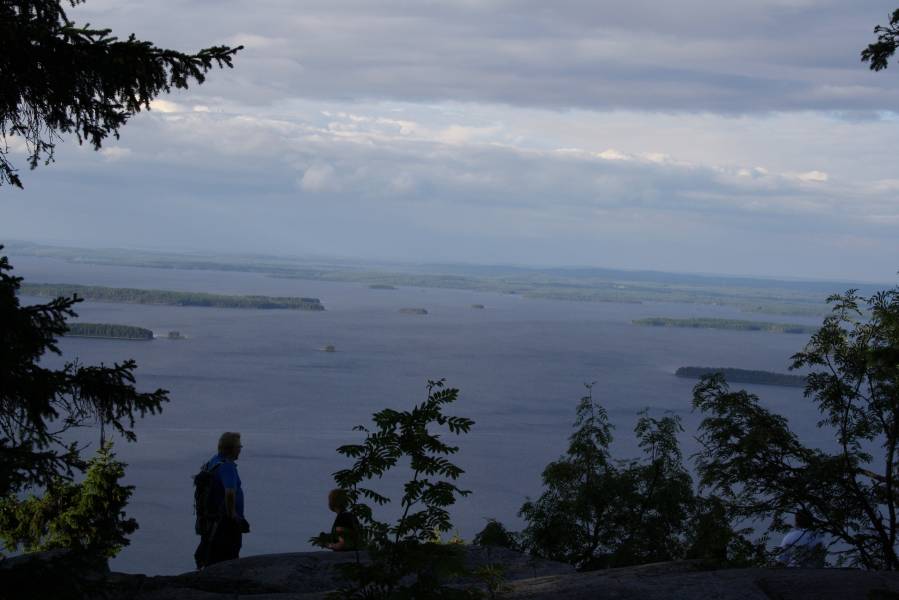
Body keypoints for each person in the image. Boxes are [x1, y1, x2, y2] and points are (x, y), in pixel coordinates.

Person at [194, 432, 249, 568]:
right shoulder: (227, 467)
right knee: (228, 561)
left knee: (212, 557)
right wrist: (233, 515)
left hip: (212, 521)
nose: (240, 450)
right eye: (239, 447)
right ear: (231, 449)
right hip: (225, 523)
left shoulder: (214, 462)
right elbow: (229, 492)